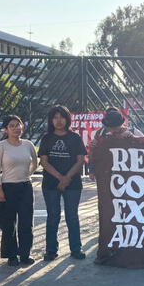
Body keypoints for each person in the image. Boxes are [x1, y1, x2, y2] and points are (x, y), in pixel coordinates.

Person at [38, 105, 87, 261]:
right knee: (53, 216)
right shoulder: (46, 138)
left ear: (67, 119)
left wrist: (67, 178)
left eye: (62, 117)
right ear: (51, 120)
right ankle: (51, 250)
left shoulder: (75, 138)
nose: (58, 121)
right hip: (50, 184)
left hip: (73, 184)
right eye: (55, 117)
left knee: (72, 216)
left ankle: (76, 248)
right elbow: (44, 162)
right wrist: (60, 177)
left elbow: (80, 161)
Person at [0, 115, 38, 266]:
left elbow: (35, 163)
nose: (16, 128)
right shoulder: (1, 146)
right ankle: (11, 255)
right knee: (9, 223)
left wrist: (27, 175)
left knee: (26, 222)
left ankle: (25, 254)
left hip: (25, 187)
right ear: (6, 129)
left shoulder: (28, 144)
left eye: (18, 125)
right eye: (12, 126)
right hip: (7, 187)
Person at [88, 108, 144, 181]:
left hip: (128, 173)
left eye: (115, 127)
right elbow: (94, 153)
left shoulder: (132, 131)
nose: (113, 130)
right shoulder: (100, 133)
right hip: (107, 172)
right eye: (110, 127)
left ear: (121, 124)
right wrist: (92, 170)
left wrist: (133, 137)